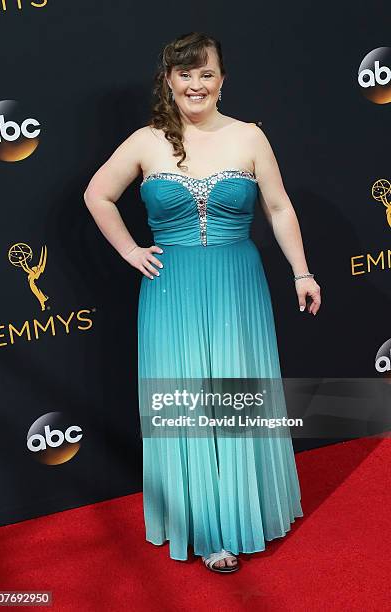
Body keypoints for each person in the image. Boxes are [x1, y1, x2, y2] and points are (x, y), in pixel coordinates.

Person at [84, 31, 321, 573]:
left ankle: (243, 515)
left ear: (222, 80)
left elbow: (279, 209)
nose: (196, 84)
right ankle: (205, 527)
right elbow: (98, 194)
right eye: (185, 73)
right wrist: (129, 251)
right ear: (168, 80)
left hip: (238, 283)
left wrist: (301, 272)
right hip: (172, 289)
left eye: (206, 73)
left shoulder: (250, 137)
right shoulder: (145, 142)